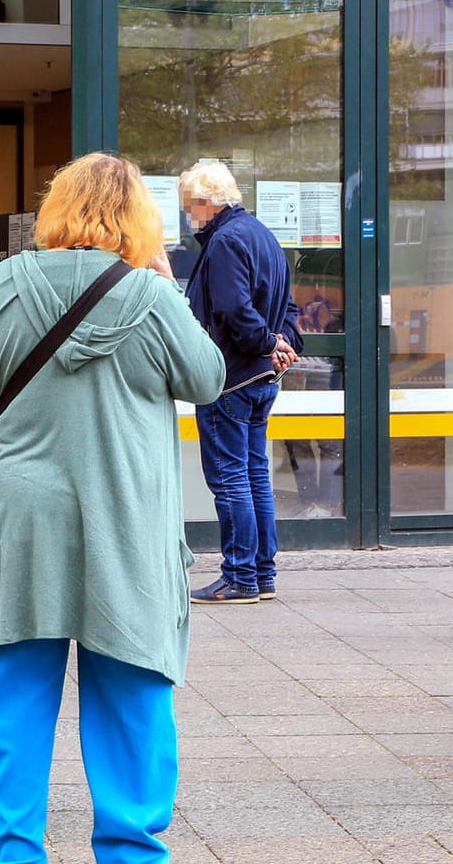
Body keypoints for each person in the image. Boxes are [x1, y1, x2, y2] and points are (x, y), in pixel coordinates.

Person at [0, 154, 225, 864]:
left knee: (11, 698)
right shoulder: (153, 296)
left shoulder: (4, 282)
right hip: (121, 515)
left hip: (17, 521)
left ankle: (11, 850)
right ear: (140, 221)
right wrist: (163, 281)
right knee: (131, 688)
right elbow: (209, 379)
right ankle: (130, 850)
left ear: (56, 208)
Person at [178, 161, 302, 605]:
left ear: (205, 204)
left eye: (188, 208)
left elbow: (233, 310)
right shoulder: (263, 235)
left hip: (230, 378)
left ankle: (240, 577)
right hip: (262, 377)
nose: (187, 217)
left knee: (231, 477)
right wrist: (282, 342)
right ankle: (262, 573)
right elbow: (288, 304)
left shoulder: (225, 242)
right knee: (254, 475)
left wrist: (268, 341)